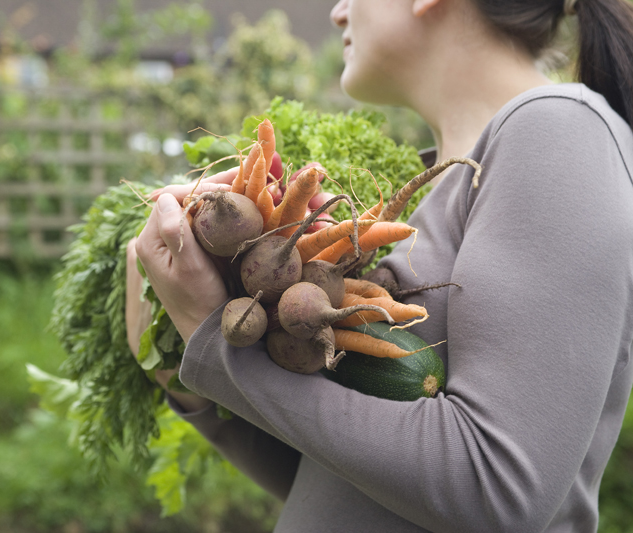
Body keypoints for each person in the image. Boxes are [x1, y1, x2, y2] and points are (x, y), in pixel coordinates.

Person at [126, 0, 633, 530]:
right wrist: (186, 374)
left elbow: (495, 488)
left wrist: (213, 338)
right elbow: (350, 489)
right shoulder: (430, 185)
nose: (337, 12)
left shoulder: (559, 130)